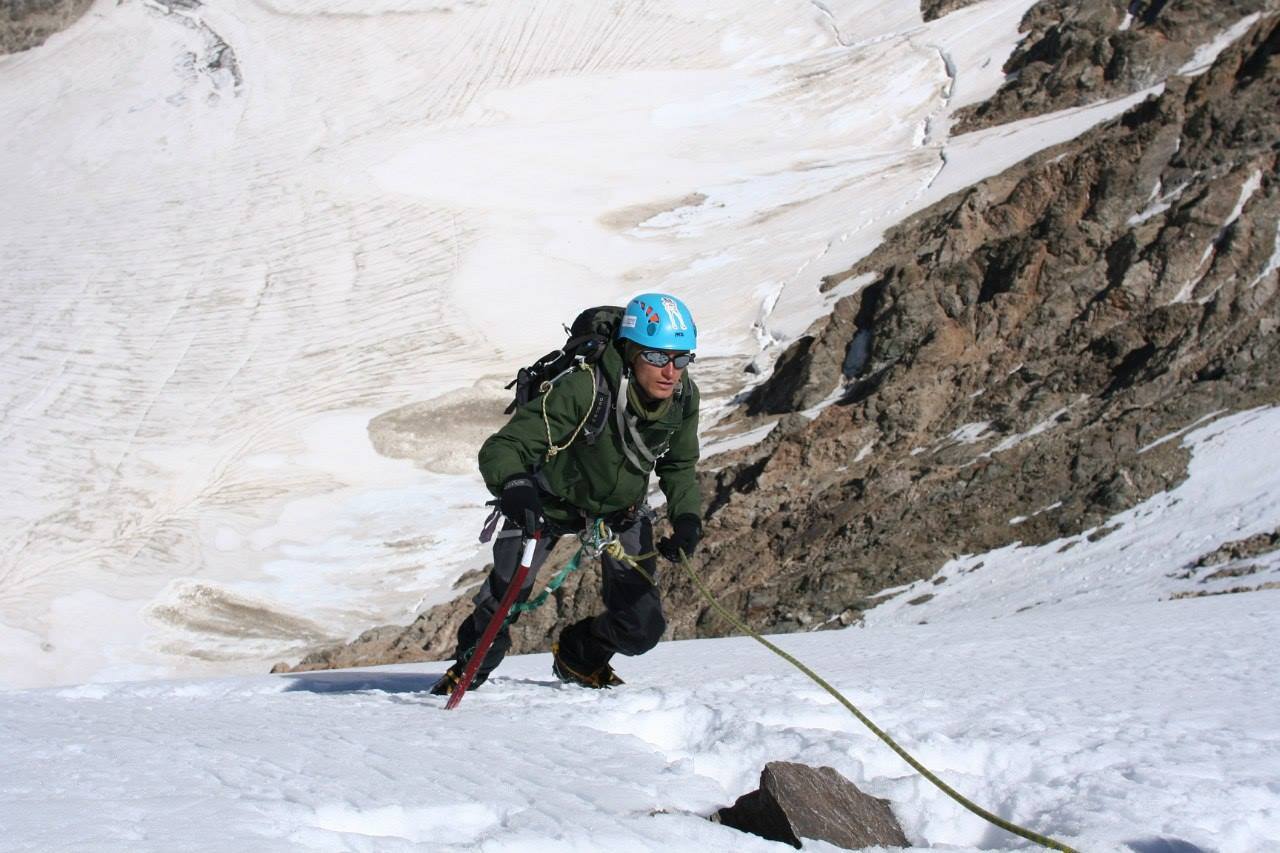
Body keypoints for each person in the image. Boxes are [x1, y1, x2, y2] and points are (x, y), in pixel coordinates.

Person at [431, 293, 703, 693]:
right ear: (630, 352)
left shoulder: (682, 397)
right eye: (657, 357)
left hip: (620, 511)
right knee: (504, 599)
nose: (670, 371)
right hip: (547, 504)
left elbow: (678, 465)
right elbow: (504, 447)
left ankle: (579, 655)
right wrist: (516, 485)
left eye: (681, 359)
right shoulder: (584, 387)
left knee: (641, 626)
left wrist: (687, 517)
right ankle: (470, 668)